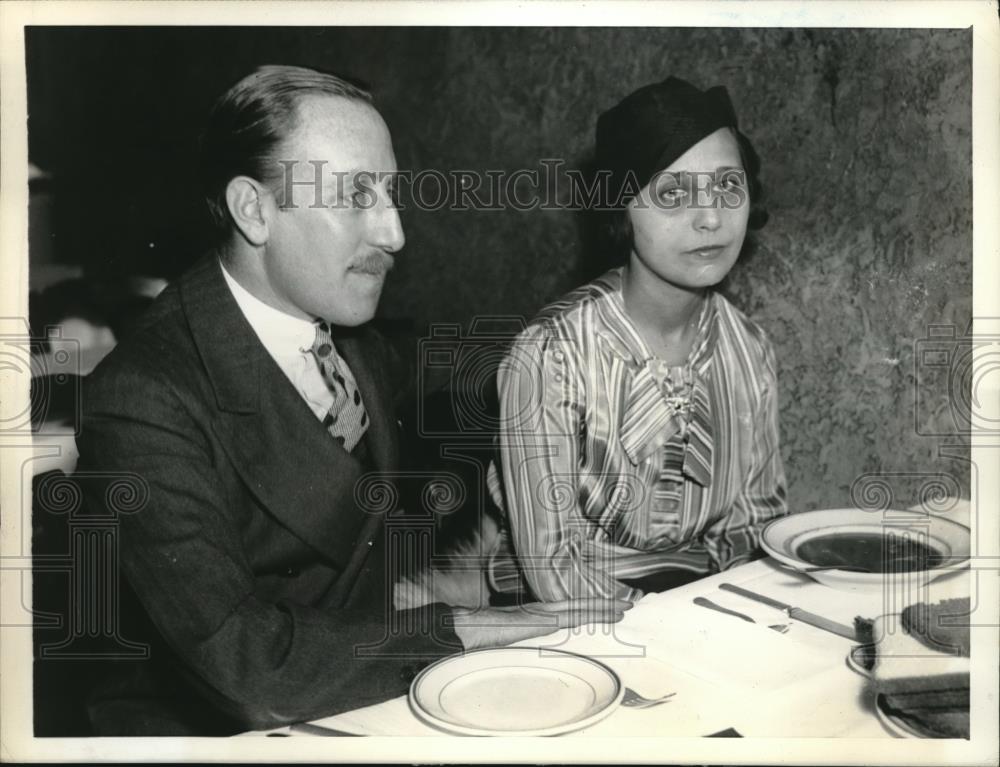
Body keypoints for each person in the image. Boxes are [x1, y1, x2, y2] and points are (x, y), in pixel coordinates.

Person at [75, 65, 629, 736]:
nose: (394, 233)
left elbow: (465, 392)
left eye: (391, 195)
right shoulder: (142, 398)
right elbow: (252, 670)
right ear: (254, 210)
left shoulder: (346, 330)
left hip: (362, 692)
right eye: (355, 195)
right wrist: (473, 624)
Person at [487, 76, 787, 603]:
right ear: (620, 207)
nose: (711, 218)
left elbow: (754, 530)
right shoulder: (549, 356)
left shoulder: (750, 351)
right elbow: (552, 567)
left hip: (700, 611)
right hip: (558, 620)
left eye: (728, 187)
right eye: (672, 193)